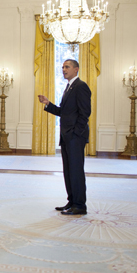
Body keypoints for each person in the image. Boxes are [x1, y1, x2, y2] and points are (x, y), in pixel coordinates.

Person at [38, 59, 91, 215]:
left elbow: (85, 113)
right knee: (68, 171)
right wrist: (48, 104)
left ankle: (80, 205)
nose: (63, 70)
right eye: (62, 67)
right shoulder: (69, 87)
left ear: (76, 69)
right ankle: (72, 202)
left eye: (67, 67)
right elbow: (64, 112)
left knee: (76, 170)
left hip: (75, 137)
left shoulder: (81, 86)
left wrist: (76, 133)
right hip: (67, 136)